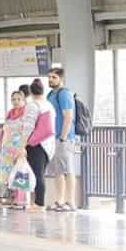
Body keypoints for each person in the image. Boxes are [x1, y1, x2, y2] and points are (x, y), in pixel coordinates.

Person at [0, 89, 34, 210]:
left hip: (19, 146)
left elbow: (27, 130)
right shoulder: (10, 113)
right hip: (7, 148)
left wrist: (23, 146)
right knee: (8, 172)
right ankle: (12, 197)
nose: (16, 101)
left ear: (23, 100)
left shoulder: (26, 114)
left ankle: (21, 200)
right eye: (13, 99)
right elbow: (4, 129)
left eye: (19, 99)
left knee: (20, 171)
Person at [46, 68, 77, 212]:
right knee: (57, 171)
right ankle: (60, 200)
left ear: (61, 79)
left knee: (68, 170)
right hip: (53, 138)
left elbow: (68, 117)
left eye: (53, 77)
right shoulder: (51, 94)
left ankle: (70, 202)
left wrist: (63, 138)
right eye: (49, 77)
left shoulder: (65, 94)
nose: (50, 79)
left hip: (64, 139)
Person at [26, 78, 56, 212]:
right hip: (48, 144)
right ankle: (37, 202)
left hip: (36, 143)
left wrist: (22, 144)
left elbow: (28, 127)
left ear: (31, 92)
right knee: (39, 173)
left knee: (37, 174)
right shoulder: (49, 105)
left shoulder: (33, 105)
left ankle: (39, 204)